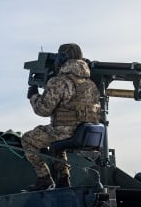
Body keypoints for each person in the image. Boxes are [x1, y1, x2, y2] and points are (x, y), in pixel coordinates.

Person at [21, 43, 101, 190]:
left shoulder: (59, 82)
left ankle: (44, 178)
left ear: (63, 58)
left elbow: (42, 110)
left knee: (28, 139)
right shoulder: (91, 84)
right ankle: (63, 181)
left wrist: (33, 95)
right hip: (87, 133)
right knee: (57, 146)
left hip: (67, 131)